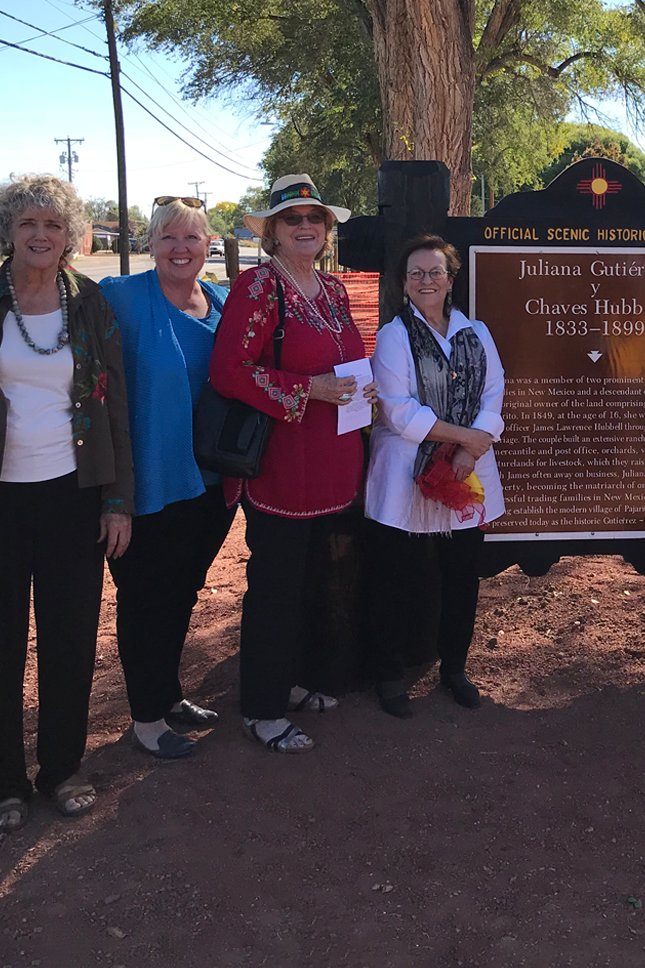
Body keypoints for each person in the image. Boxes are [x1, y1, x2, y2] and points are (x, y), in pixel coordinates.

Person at [209, 174, 376, 753]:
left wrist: (361, 389)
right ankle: (261, 707)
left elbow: (349, 362)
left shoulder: (331, 290)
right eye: (292, 220)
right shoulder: (258, 288)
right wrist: (310, 392)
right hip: (284, 464)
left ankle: (298, 679)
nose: (305, 227)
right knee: (275, 587)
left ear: (327, 231)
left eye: (315, 219)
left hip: (334, 463)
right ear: (274, 233)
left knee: (315, 581)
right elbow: (229, 371)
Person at [0, 174, 134, 831]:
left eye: (53, 224)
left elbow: (115, 407)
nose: (41, 234)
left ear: (71, 235)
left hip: (73, 495)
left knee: (70, 636)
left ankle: (60, 769)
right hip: (3, 496)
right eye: (28, 223)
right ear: (9, 230)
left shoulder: (89, 302)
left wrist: (118, 500)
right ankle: (4, 782)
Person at [100, 197, 234, 760]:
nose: (181, 248)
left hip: (211, 483)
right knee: (144, 598)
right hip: (148, 484)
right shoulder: (120, 298)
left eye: (193, 238)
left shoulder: (224, 303)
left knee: (182, 590)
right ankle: (147, 718)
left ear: (209, 246)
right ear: (150, 244)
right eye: (169, 238)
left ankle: (168, 694)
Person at [364, 234, 505, 716]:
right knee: (393, 579)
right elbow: (400, 412)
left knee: (461, 576)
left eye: (435, 272)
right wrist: (463, 438)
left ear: (451, 279)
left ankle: (455, 669)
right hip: (407, 473)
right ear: (404, 283)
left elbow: (494, 395)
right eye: (416, 274)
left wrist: (470, 447)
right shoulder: (394, 336)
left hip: (467, 471)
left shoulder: (477, 333)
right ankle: (388, 674)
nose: (427, 281)